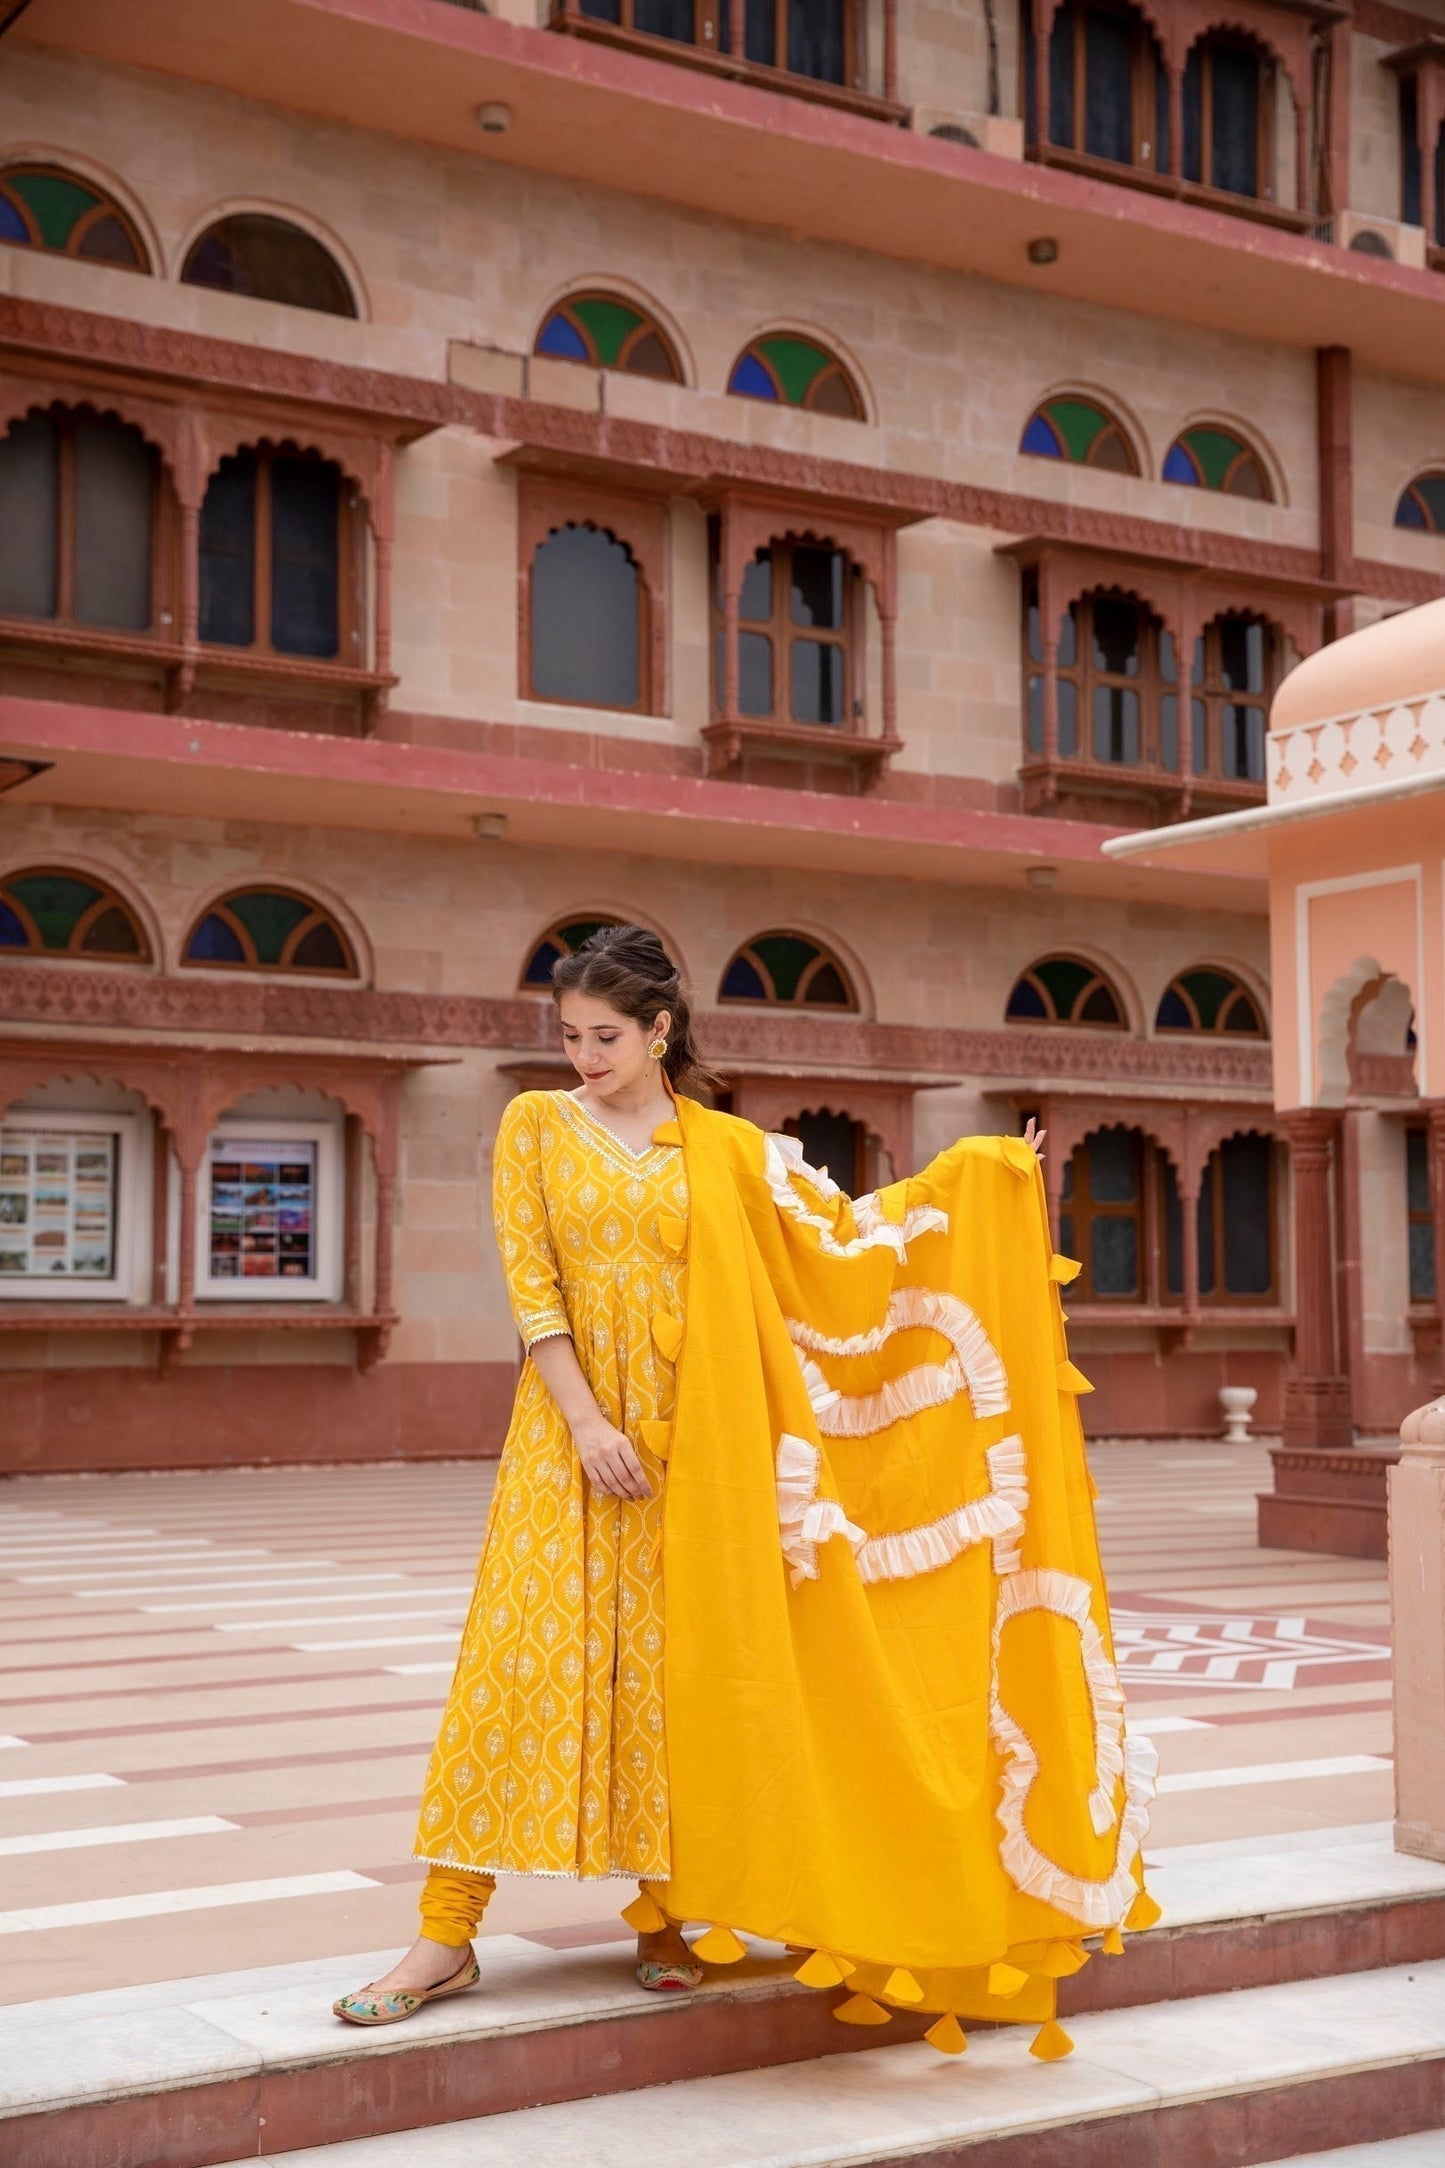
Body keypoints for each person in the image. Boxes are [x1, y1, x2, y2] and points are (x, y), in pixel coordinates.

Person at [334, 926, 1157, 2050]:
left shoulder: (724, 1148)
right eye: (569, 1034)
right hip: (570, 1441)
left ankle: (674, 1914)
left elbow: (841, 1238)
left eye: (605, 1035)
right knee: (518, 1667)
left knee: (688, 1674)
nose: (583, 1054)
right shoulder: (535, 1127)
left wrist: (984, 1179)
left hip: (711, 1449)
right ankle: (445, 1928)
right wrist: (584, 1422)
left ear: (659, 1029)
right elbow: (532, 1288)